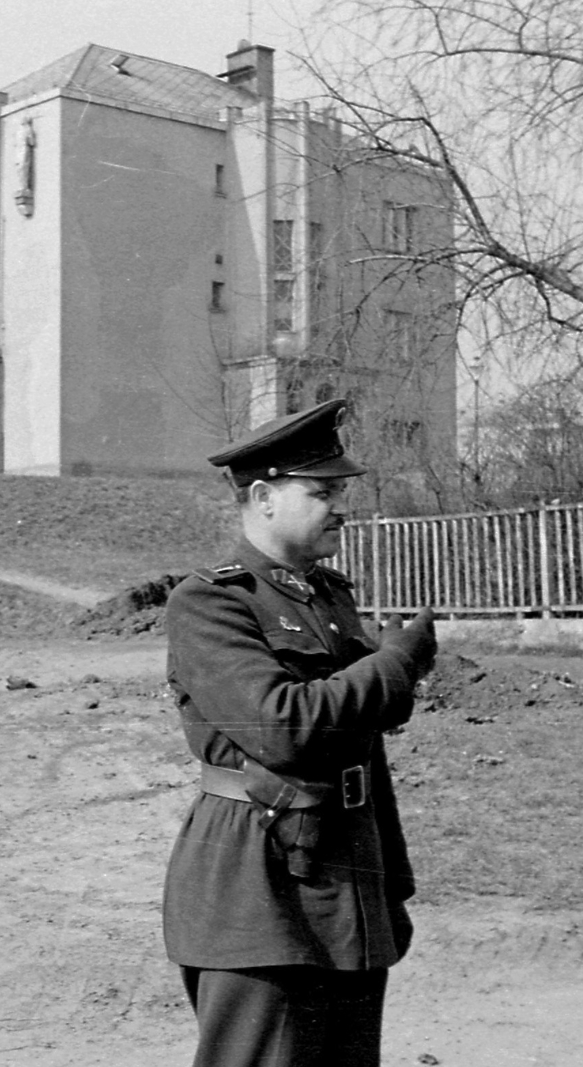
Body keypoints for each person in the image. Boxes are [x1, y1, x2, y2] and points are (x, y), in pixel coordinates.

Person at [161, 398, 437, 1067]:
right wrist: (395, 664)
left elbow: (362, 738)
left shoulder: (330, 596)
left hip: (345, 880)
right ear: (262, 496)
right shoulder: (212, 601)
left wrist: (387, 882)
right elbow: (284, 726)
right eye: (322, 491)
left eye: (341, 490)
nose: (341, 505)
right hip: (260, 890)